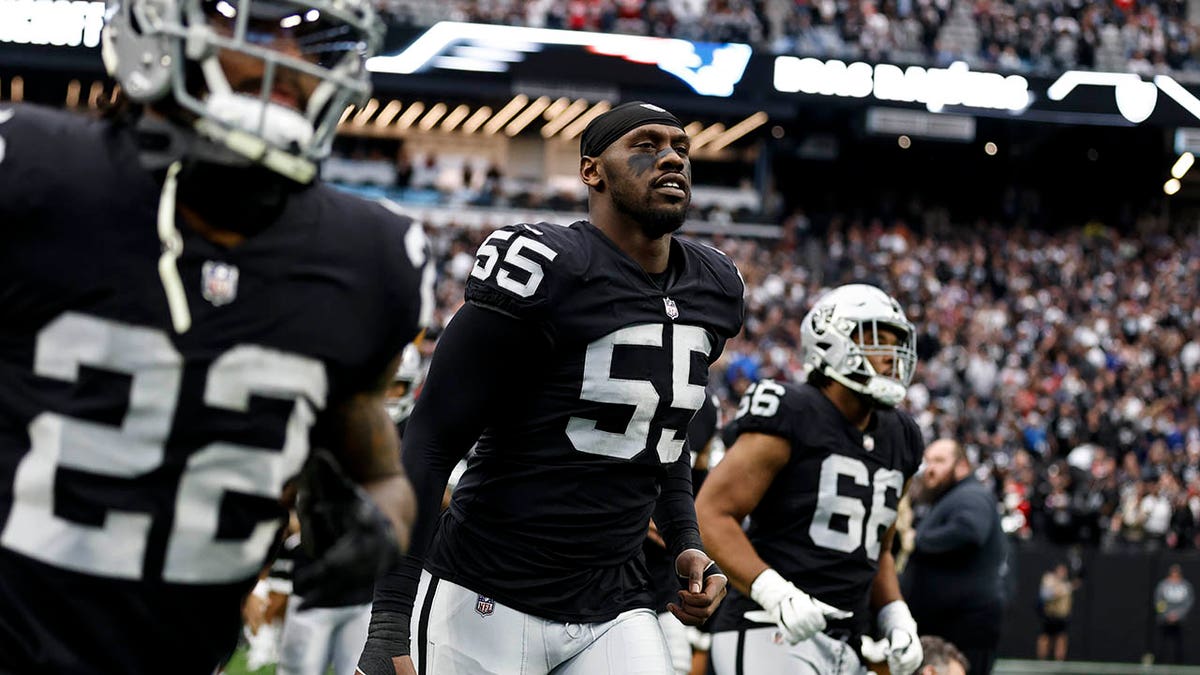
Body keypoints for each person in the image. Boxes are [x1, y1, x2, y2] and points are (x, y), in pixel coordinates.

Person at [0, 0, 434, 670]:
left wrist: (376, 526)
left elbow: (377, 470)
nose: (291, 58)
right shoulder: (32, 175)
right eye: (256, 25)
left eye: (314, 40)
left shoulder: (369, 255)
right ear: (155, 26)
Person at [359, 101, 746, 674]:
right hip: (487, 592)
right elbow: (431, 438)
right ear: (592, 170)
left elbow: (664, 437)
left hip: (615, 602)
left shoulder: (713, 286)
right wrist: (391, 613)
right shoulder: (545, 268)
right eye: (645, 144)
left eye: (680, 147)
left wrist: (686, 537)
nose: (670, 157)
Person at [696, 284, 925, 675]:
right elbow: (710, 513)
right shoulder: (794, 411)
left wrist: (895, 615)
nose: (889, 356)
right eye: (875, 340)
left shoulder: (901, 435)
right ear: (830, 341)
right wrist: (775, 593)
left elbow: (878, 550)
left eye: (894, 343)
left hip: (846, 639)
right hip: (768, 628)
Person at [901, 439, 1007, 675]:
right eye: (927, 461)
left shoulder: (970, 495)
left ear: (961, 466)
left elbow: (970, 530)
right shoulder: (949, 499)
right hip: (949, 626)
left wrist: (915, 540)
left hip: (962, 629)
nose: (930, 468)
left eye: (939, 461)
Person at [1153, 563, 1194, 665]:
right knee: (1162, 643)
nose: (1175, 575)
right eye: (1173, 573)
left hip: (1180, 620)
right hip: (1165, 620)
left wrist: (1178, 615)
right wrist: (1166, 614)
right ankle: (1159, 663)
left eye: (1177, 573)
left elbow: (1188, 602)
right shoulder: (1163, 585)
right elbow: (1159, 601)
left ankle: (1179, 664)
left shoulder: (1186, 586)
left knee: (1179, 644)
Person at [1036, 563, 1076, 661]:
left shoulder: (1066, 584)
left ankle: (1059, 661)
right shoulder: (1049, 579)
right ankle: (1041, 660)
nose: (1063, 573)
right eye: (1061, 570)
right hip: (1049, 615)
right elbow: (1045, 595)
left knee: (1061, 637)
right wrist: (1061, 590)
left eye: (1064, 571)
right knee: (1045, 637)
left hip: (1061, 616)